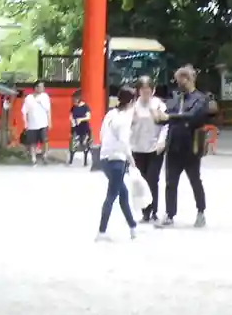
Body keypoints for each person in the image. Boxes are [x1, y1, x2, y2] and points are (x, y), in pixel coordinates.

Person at [155, 64, 214, 228]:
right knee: (170, 182)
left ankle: (201, 211)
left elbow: (192, 116)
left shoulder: (200, 99)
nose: (178, 83)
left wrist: (169, 117)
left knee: (195, 180)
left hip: (191, 146)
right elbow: (167, 114)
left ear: (188, 79)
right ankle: (169, 214)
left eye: (180, 80)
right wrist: (160, 117)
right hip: (174, 144)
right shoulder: (175, 97)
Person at [95, 85, 139, 241]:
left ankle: (133, 227)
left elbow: (101, 135)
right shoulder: (124, 119)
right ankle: (102, 231)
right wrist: (131, 160)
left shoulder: (110, 114)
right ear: (131, 101)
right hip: (117, 159)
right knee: (112, 195)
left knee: (122, 193)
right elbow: (124, 142)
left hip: (105, 157)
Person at [128, 75, 167, 224]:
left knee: (152, 179)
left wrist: (162, 141)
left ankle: (154, 211)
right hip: (138, 148)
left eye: (148, 89)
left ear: (153, 90)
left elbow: (165, 125)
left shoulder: (158, 105)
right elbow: (127, 126)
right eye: (142, 89)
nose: (145, 92)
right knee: (142, 181)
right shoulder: (133, 106)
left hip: (155, 148)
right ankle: (145, 212)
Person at [21, 81, 53, 166]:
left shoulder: (45, 96)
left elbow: (48, 110)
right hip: (32, 124)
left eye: (43, 86)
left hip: (43, 123)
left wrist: (50, 121)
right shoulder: (28, 98)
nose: (43, 88)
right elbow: (24, 111)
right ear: (36, 88)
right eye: (41, 86)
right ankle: (33, 158)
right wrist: (25, 123)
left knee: (45, 140)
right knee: (33, 142)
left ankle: (45, 156)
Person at [68, 92, 93, 167]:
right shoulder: (73, 107)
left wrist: (80, 119)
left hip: (84, 128)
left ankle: (85, 161)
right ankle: (71, 160)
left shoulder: (85, 107)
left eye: (75, 99)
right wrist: (72, 120)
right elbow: (71, 116)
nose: (74, 101)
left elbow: (88, 117)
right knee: (73, 145)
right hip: (75, 128)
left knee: (85, 144)